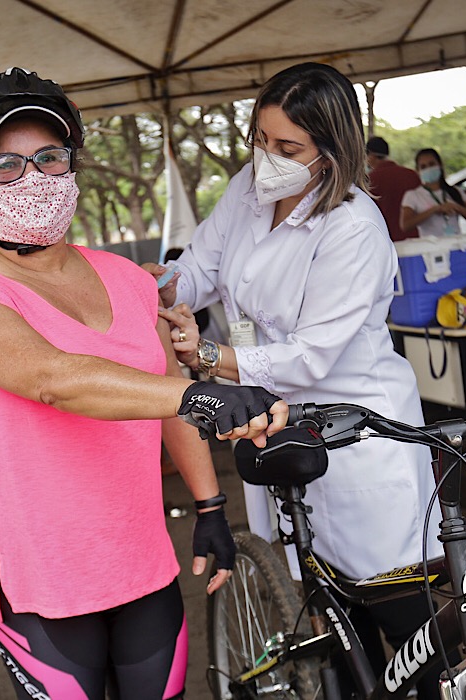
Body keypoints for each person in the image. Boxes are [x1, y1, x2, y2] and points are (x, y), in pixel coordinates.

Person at [0, 67, 288, 699]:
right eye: (5, 165)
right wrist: (203, 394)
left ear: (72, 169)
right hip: (41, 582)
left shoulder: (126, 278)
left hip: (140, 560)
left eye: (48, 157)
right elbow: (52, 378)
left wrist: (209, 503)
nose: (32, 177)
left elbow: (166, 388)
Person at [152, 63, 446, 699]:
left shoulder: (354, 228)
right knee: (324, 607)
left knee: (397, 609)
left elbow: (311, 356)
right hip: (276, 422)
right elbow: (200, 266)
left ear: (332, 150)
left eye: (288, 149)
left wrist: (206, 355)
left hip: (358, 431)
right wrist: (154, 292)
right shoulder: (249, 189)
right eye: (261, 140)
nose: (269, 159)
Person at [400, 148, 466, 237]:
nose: (428, 169)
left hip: (456, 244)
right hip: (431, 247)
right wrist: (435, 209)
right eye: (423, 167)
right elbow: (405, 225)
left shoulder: (455, 191)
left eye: (431, 164)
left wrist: (456, 207)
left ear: (440, 165)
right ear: (418, 171)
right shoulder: (412, 195)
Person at [365, 135, 422, 241]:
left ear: (371, 156)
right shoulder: (411, 175)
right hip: (415, 241)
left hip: (386, 242)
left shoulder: (369, 180)